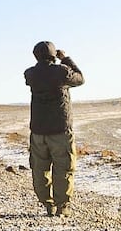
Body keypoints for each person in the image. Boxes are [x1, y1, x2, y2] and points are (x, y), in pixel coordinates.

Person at [24, 41, 84, 217]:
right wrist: (65, 59)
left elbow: (38, 74)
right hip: (60, 129)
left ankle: (47, 204)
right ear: (53, 55)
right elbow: (80, 78)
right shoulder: (61, 72)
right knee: (63, 168)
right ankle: (62, 206)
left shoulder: (30, 74)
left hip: (38, 131)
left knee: (39, 169)